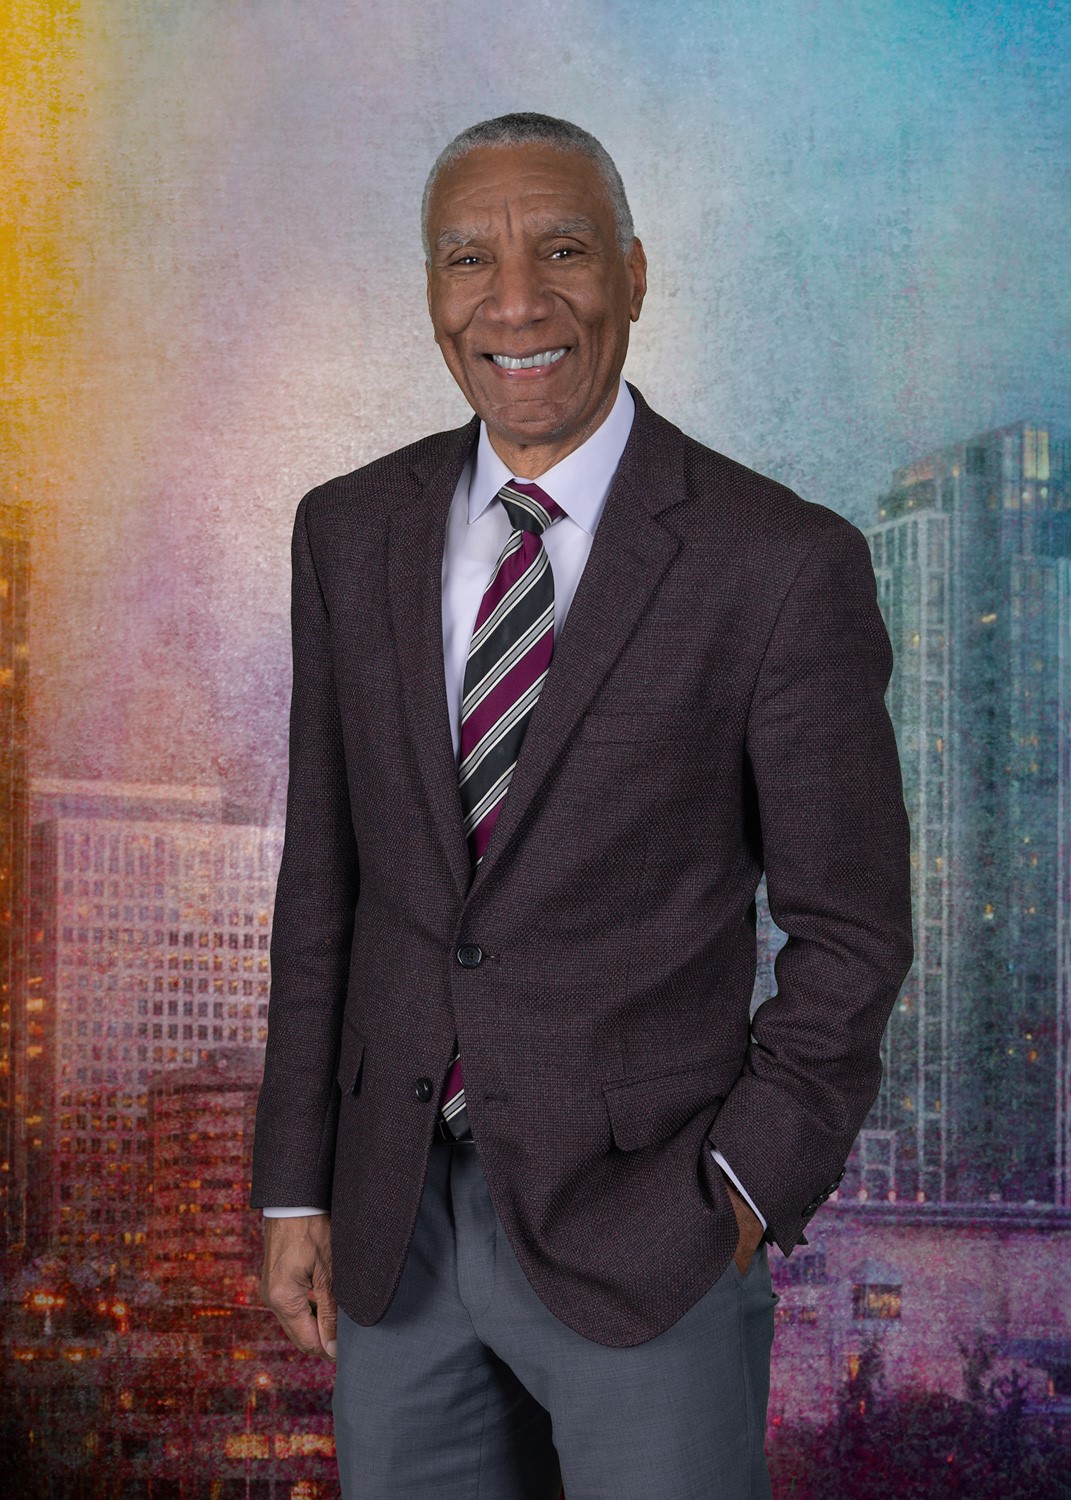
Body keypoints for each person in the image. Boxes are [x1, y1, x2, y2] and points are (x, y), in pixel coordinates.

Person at [251, 112, 913, 1499]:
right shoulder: (345, 529)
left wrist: (738, 1192)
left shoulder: (780, 564)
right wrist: (295, 1183)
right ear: (430, 294)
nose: (516, 301)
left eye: (561, 250)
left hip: (651, 1235)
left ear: (634, 273)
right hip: (394, 1233)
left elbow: (851, 934)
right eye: (467, 260)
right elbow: (326, 885)